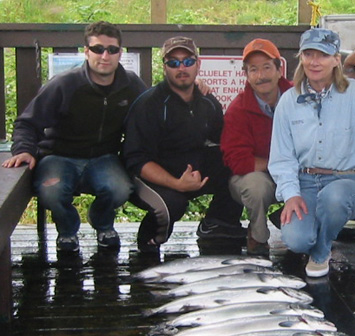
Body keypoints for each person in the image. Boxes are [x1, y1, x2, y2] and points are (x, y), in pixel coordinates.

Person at [268, 28, 355, 278]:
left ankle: (321, 251)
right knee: (296, 240)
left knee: (333, 199)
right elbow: (282, 158)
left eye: (322, 55)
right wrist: (291, 195)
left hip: (347, 182)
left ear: (336, 59)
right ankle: (313, 235)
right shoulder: (288, 101)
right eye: (308, 54)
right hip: (306, 183)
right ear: (300, 57)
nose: (314, 62)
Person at [2, 21, 147, 253]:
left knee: (119, 189)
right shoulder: (64, 84)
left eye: (112, 49)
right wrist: (24, 150)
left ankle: (102, 223)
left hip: (104, 157)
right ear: (87, 51)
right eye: (98, 49)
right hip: (59, 156)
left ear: (120, 52)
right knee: (51, 192)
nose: (105, 56)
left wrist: (194, 86)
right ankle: (67, 230)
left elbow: (155, 107)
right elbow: (27, 122)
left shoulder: (131, 85)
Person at [221, 38, 355, 256]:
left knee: (316, 186)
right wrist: (283, 165)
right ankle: (258, 237)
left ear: (280, 69)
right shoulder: (237, 110)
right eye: (254, 70)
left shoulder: (299, 94)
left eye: (267, 67)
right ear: (246, 75)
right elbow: (237, 161)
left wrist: (346, 67)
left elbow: (334, 94)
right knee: (256, 187)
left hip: (302, 175)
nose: (261, 76)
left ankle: (306, 226)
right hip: (259, 175)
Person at [123, 36, 246, 254]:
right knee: (173, 206)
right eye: (174, 63)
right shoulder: (148, 104)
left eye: (188, 61)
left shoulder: (208, 102)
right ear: (165, 68)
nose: (182, 68)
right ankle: (148, 244)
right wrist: (176, 184)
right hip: (151, 176)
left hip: (191, 171)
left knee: (237, 164)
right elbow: (137, 159)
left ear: (198, 65)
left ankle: (218, 224)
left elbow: (224, 140)